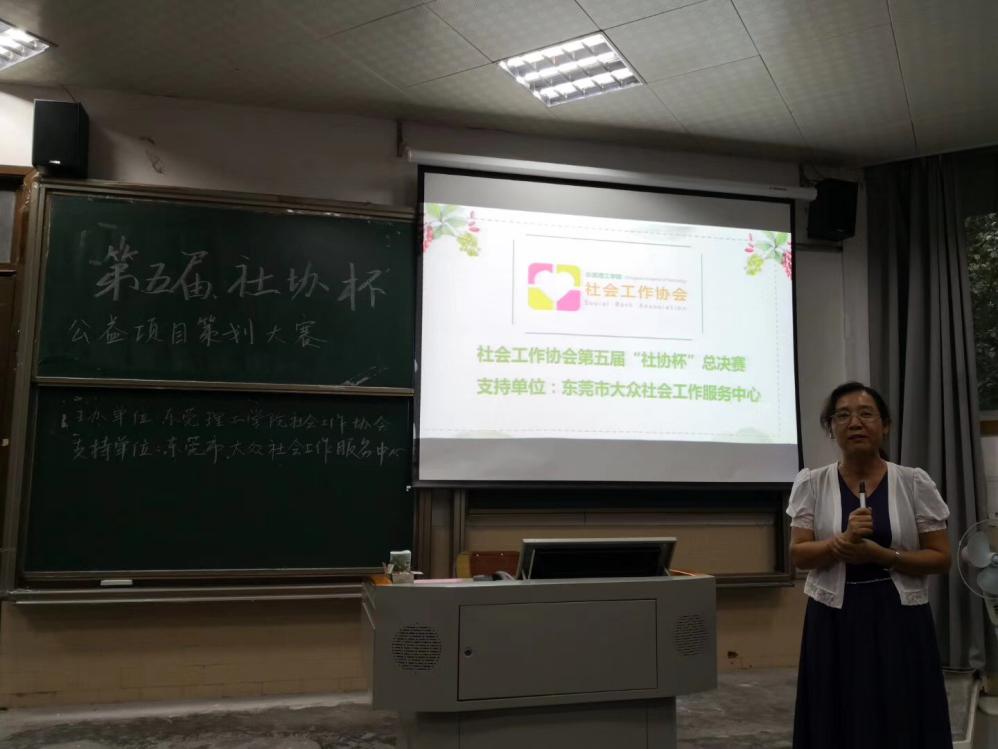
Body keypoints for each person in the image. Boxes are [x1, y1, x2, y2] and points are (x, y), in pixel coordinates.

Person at [788, 381, 952, 749]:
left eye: (865, 414)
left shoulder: (913, 482)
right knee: (838, 713)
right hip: (833, 617)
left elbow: (941, 558)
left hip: (899, 617)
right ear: (831, 428)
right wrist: (839, 543)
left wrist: (883, 556)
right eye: (842, 416)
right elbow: (798, 554)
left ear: (885, 425)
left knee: (901, 711)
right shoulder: (812, 483)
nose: (855, 423)